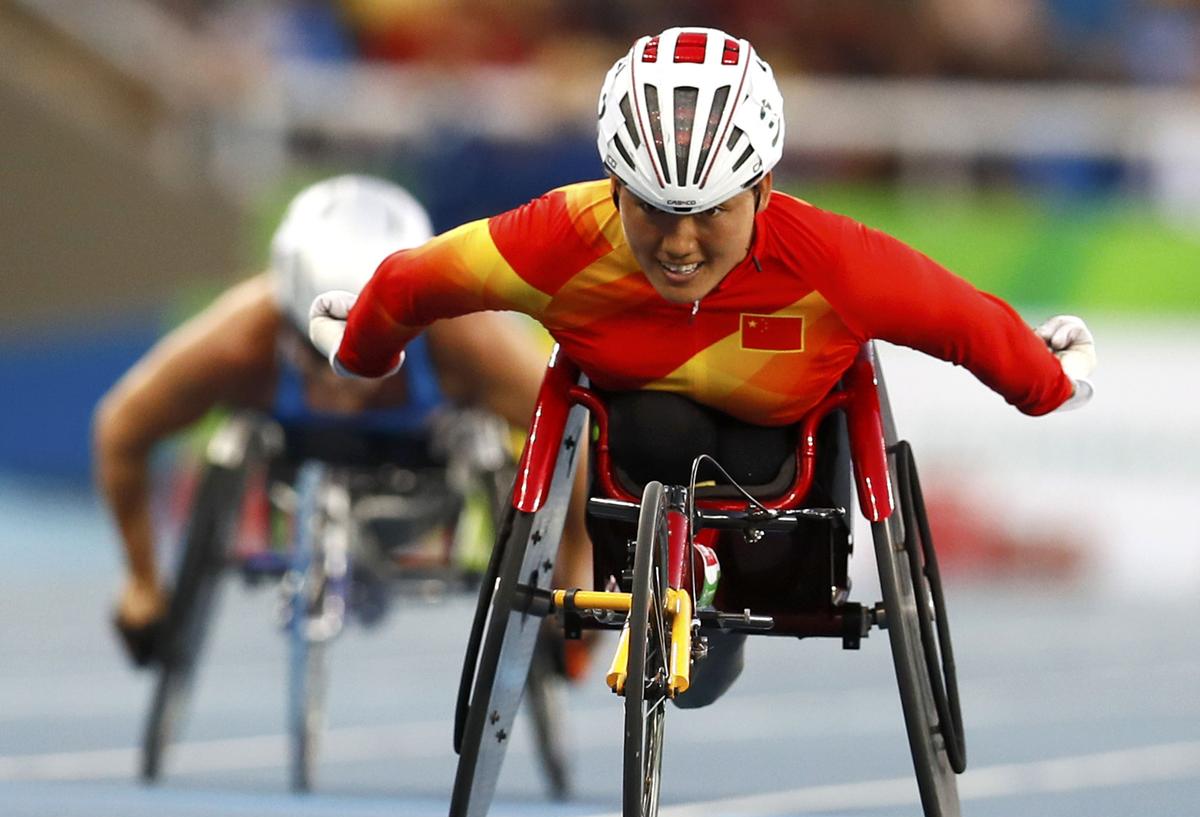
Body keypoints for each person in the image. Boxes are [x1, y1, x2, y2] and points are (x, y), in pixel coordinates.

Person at [306, 28, 1097, 706]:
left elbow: (965, 323)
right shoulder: (556, 239)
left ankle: (717, 606)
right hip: (629, 474)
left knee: (736, 440)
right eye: (653, 211)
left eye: (711, 213)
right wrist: (361, 350)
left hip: (780, 490)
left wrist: (1047, 381)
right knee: (651, 418)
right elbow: (414, 283)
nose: (680, 246)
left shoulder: (834, 261)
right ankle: (673, 593)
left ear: (762, 189)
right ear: (615, 189)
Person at [94, 174, 591, 666]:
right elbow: (121, 428)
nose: (343, 383)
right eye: (319, 352)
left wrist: (575, 572)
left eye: (371, 353)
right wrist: (142, 579)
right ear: (289, 319)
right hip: (288, 470)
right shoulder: (241, 340)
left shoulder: (465, 338)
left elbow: (575, 437)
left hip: (429, 481)